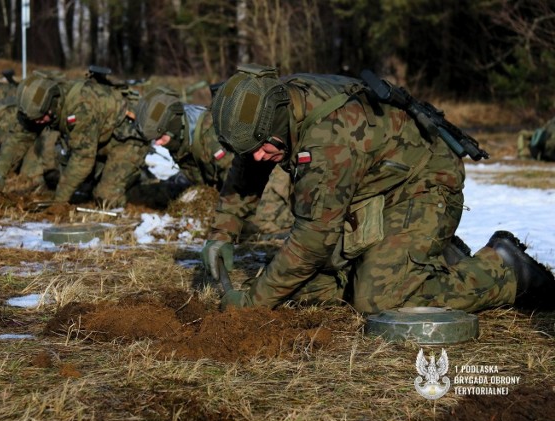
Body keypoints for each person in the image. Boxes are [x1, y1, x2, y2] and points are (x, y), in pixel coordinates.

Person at [202, 64, 555, 312]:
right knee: (302, 289)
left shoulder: (328, 141)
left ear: (276, 122)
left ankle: (507, 269)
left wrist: (251, 304)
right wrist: (223, 231)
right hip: (376, 187)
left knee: (378, 300)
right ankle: (425, 260)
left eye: (266, 147)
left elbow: (313, 239)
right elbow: (249, 161)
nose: (262, 158)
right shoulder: (275, 103)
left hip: (424, 187)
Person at [135, 86, 293, 234]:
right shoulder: (182, 141)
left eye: (161, 137)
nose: (158, 143)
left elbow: (246, 183)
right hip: (229, 189)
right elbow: (197, 179)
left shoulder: (212, 136)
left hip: (266, 188)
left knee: (252, 227)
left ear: (174, 125)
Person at [16, 71, 149, 208]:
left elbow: (83, 159)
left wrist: (59, 201)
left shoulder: (81, 108)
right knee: (77, 184)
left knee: (105, 198)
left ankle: (148, 186)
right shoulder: (52, 102)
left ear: (52, 102)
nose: (39, 122)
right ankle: (114, 175)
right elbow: (21, 136)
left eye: (41, 117)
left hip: (128, 140)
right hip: (102, 138)